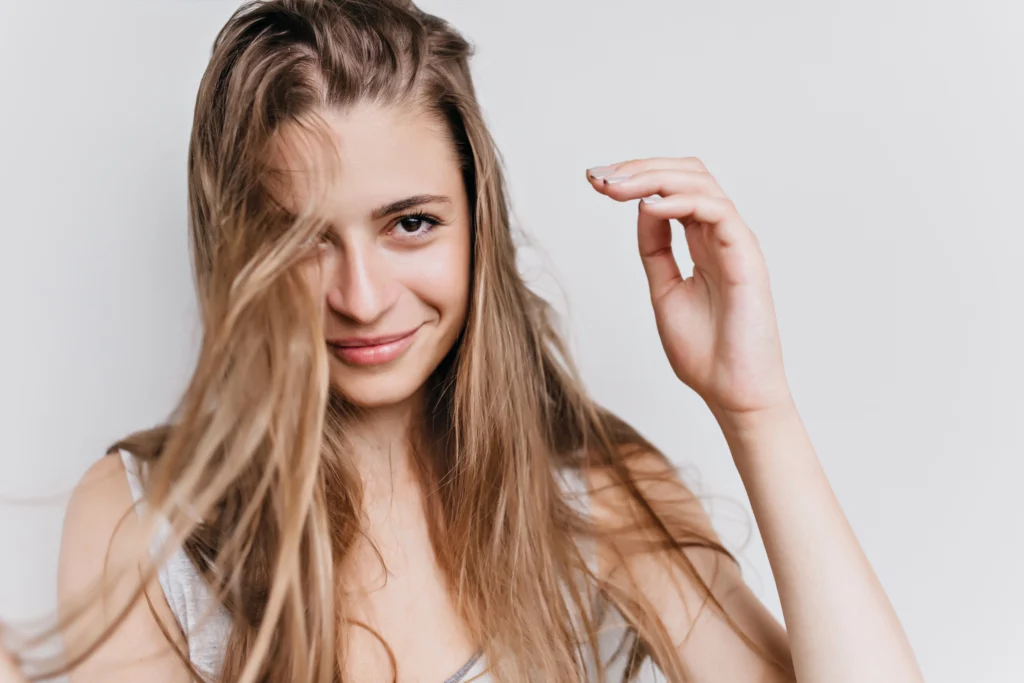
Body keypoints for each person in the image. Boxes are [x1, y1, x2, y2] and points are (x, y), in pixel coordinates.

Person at [1, 1, 926, 682]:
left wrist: (755, 406)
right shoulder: (146, 518)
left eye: (411, 223)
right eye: (303, 240)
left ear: (479, 223)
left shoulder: (593, 495)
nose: (363, 298)